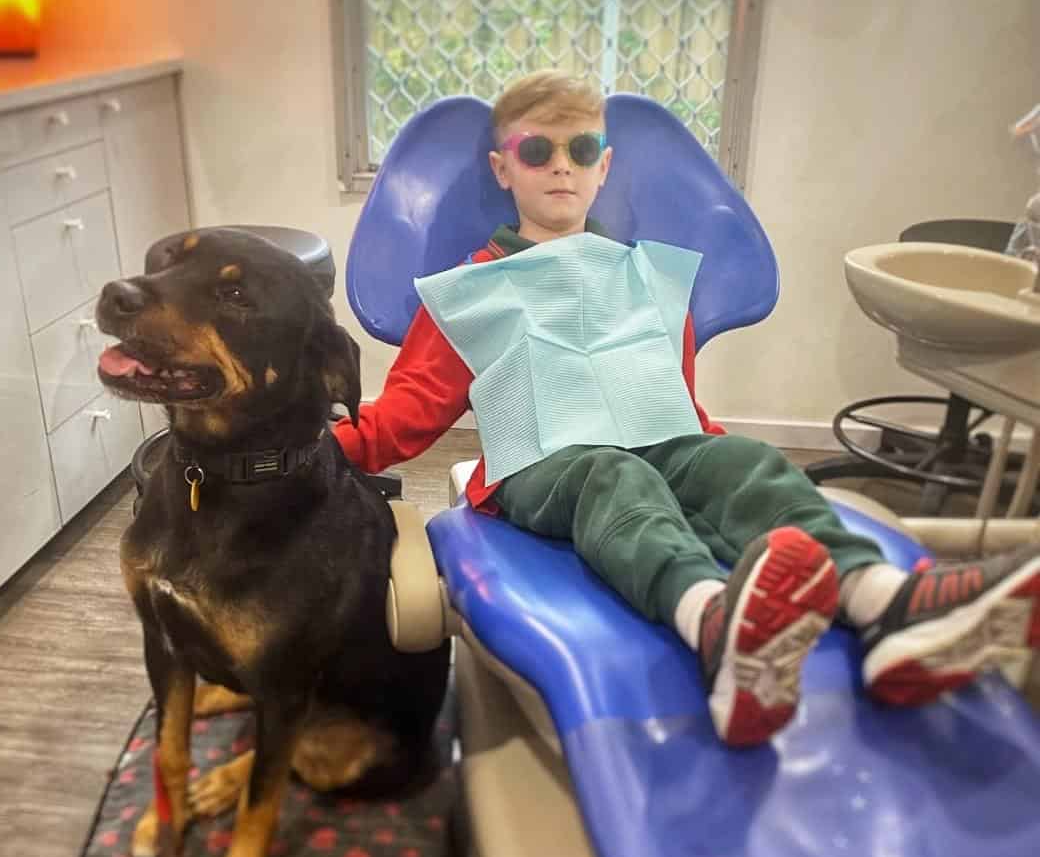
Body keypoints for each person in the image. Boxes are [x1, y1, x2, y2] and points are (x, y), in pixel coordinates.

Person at [333, 69, 1040, 747]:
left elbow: (674, 400)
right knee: (615, 476)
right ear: (502, 168)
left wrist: (717, 468)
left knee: (742, 460)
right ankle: (714, 623)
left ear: (603, 167)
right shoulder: (472, 286)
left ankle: (887, 606)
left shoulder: (642, 276)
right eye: (536, 150)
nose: (561, 166)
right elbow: (413, 407)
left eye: (580, 149)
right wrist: (327, 447)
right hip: (546, 466)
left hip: (658, 441)